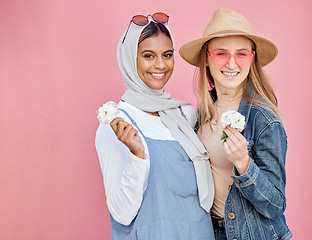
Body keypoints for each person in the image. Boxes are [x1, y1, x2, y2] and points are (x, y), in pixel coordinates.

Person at [95, 12, 215, 239]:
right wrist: (138, 156)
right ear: (130, 58)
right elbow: (121, 213)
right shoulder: (117, 124)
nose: (160, 65)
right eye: (148, 56)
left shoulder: (186, 115)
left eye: (167, 55)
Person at [179, 8, 292, 240]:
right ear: (207, 60)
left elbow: (275, 205)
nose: (232, 63)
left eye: (241, 54)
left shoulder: (264, 119)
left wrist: (243, 162)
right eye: (221, 53)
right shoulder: (199, 115)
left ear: (252, 59)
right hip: (209, 232)